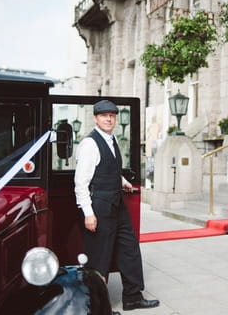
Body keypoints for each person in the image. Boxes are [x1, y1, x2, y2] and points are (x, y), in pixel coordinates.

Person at [74, 99, 160, 312]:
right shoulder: (90, 144)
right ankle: (98, 308)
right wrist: (88, 214)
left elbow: (106, 168)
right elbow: (80, 182)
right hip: (99, 207)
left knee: (129, 249)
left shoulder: (111, 140)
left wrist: (122, 180)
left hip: (116, 204)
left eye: (112, 115)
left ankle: (132, 297)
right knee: (100, 257)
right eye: (104, 115)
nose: (109, 119)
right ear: (96, 118)